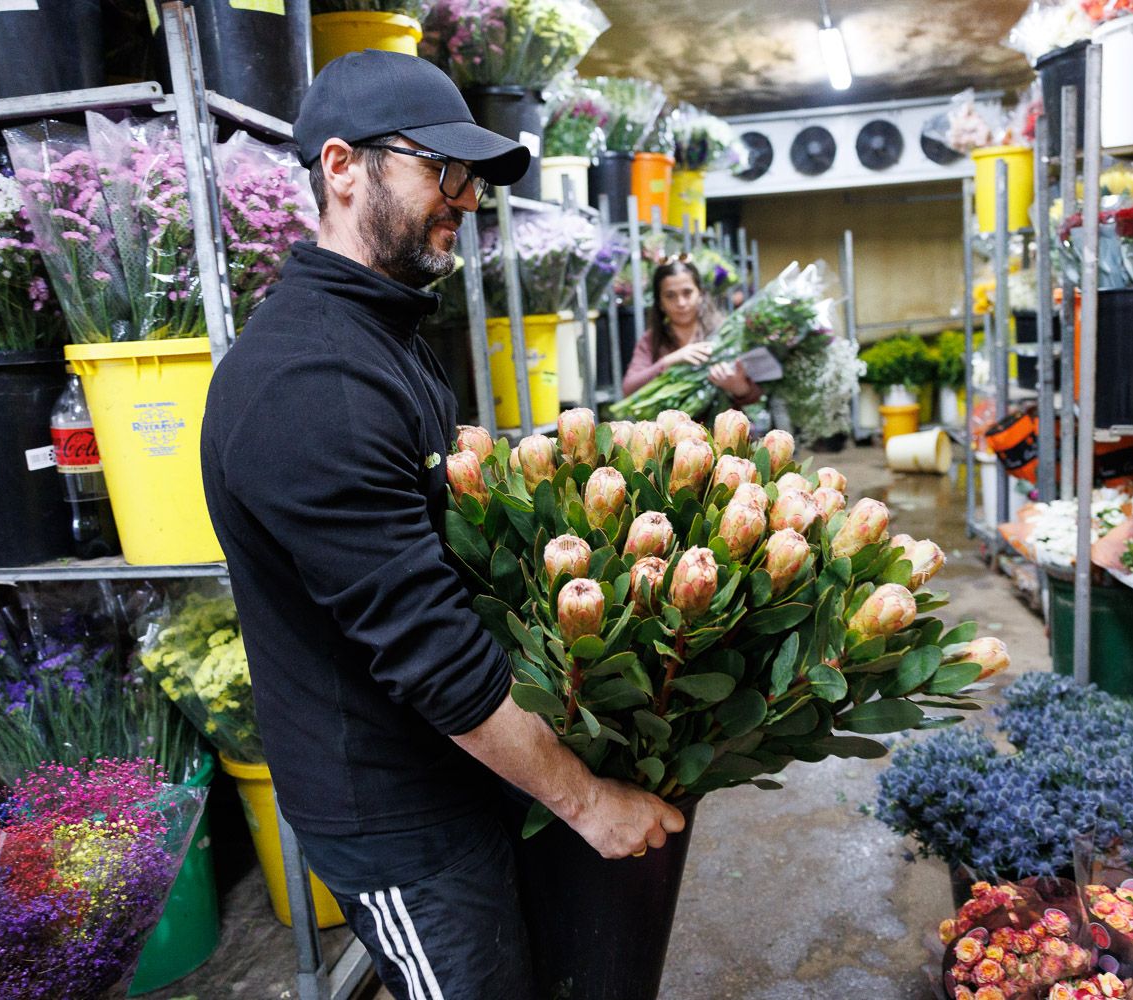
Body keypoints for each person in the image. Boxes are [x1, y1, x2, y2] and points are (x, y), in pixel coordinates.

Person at [199, 51, 684, 1000]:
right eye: (442, 170)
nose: (464, 199)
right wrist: (588, 803)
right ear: (342, 166)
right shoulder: (310, 382)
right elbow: (430, 654)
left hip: (462, 767)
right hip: (395, 815)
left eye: (473, 180)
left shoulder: (382, 335)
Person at [622, 256, 762, 404]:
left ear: (700, 294)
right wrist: (670, 360)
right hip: (669, 419)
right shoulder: (651, 339)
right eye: (670, 296)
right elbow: (629, 388)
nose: (681, 303)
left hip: (722, 419)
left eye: (687, 292)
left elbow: (758, 393)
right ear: (660, 303)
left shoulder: (726, 332)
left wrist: (739, 387)